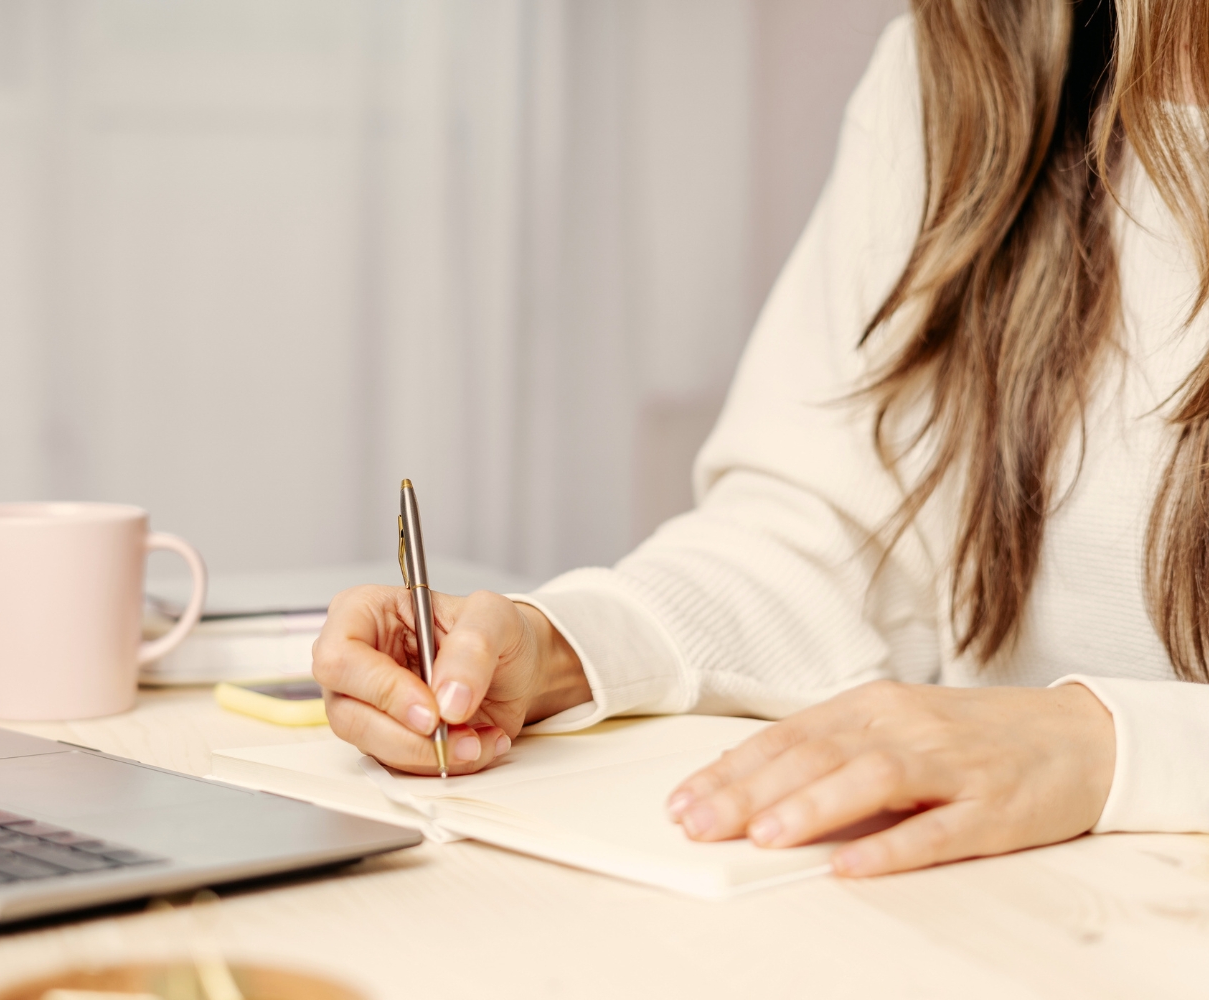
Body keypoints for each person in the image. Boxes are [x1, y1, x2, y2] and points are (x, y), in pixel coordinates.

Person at [312, 0, 1209, 878]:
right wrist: (565, 648)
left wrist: (1105, 746)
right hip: (998, 910)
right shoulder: (961, 75)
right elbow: (823, 536)